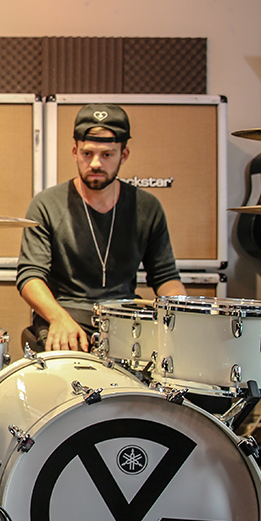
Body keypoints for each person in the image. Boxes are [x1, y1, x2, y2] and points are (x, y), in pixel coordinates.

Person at [17, 102, 186, 352]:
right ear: (75, 152)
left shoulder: (147, 207)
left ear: (123, 155)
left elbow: (165, 277)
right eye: (87, 154)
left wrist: (182, 314)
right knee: (67, 365)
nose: (96, 163)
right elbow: (30, 276)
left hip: (125, 317)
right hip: (66, 312)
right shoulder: (46, 204)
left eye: (107, 155)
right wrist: (58, 318)